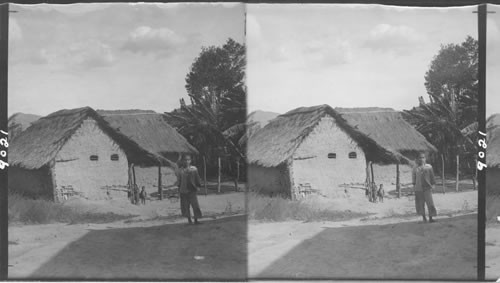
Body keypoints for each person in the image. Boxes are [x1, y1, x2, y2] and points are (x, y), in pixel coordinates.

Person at [176, 154, 203, 224]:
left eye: (188, 160)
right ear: (182, 161)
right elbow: (179, 181)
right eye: (185, 160)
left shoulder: (194, 169)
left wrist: (198, 186)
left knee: (195, 205)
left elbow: (197, 178)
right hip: (183, 191)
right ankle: (189, 220)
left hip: (192, 190)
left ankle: (196, 220)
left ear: (190, 161)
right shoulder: (180, 170)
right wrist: (179, 189)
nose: (186, 161)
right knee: (185, 206)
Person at [412, 152, 437, 223]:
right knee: (420, 204)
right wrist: (414, 187)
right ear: (417, 159)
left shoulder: (429, 166)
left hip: (427, 188)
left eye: (423, 157)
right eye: (420, 157)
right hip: (418, 188)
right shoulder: (415, 168)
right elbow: (413, 178)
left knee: (430, 203)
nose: (421, 159)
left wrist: (433, 184)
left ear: (425, 159)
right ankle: (424, 218)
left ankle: (431, 218)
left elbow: (432, 176)